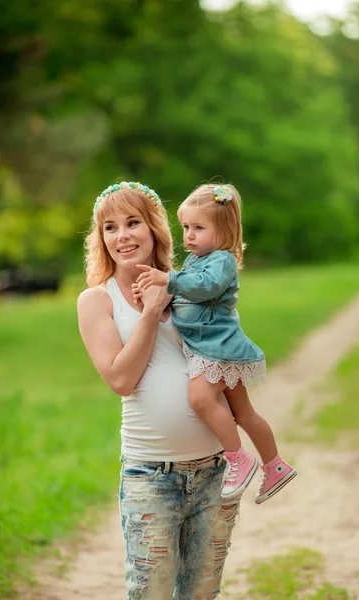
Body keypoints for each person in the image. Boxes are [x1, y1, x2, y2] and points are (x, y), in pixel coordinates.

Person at [77, 181, 241, 600]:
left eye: (133, 223)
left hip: (213, 471)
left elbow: (224, 353)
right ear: (101, 239)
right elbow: (120, 380)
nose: (123, 235)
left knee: (202, 592)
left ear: (154, 229)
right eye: (110, 228)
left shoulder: (190, 283)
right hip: (151, 477)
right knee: (151, 592)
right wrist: (151, 312)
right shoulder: (98, 300)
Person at [134, 183, 297, 503]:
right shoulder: (196, 261)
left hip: (217, 348)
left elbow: (203, 288)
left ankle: (238, 457)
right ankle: (275, 464)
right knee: (244, 413)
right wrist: (158, 300)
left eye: (198, 227)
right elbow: (185, 299)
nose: (189, 236)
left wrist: (168, 279)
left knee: (200, 398)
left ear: (222, 231)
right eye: (185, 227)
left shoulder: (220, 260)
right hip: (214, 348)